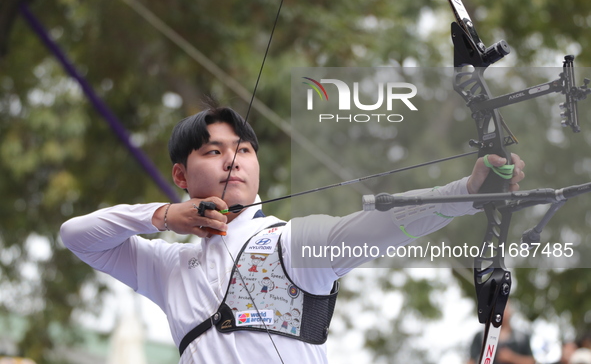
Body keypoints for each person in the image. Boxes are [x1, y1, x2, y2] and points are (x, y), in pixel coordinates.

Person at [60, 105, 526, 363]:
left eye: (243, 149)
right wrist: (163, 216)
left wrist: (467, 191)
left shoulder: (288, 242)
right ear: (181, 175)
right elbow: (75, 234)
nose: (232, 159)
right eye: (213, 150)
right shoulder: (169, 267)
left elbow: (388, 223)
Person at [467, 304, 535, 364]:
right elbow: (471, 360)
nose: (500, 312)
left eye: (504, 308)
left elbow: (531, 361)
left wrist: (512, 358)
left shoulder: (521, 338)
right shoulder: (480, 337)